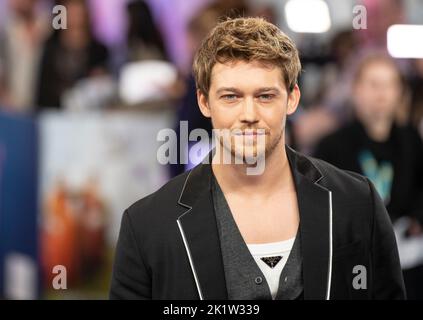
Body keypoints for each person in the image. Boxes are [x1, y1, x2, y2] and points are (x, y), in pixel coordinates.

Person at [110, 17, 405, 300]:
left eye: (265, 96)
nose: (249, 115)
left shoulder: (356, 202)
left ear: (292, 99)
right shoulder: (148, 226)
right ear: (203, 101)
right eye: (231, 97)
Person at [314, 53, 423, 299]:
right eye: (373, 84)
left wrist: (417, 219)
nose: (381, 94)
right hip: (351, 261)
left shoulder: (412, 141)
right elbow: (319, 201)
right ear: (356, 90)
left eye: (389, 85)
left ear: (399, 92)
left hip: (409, 259)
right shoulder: (332, 145)